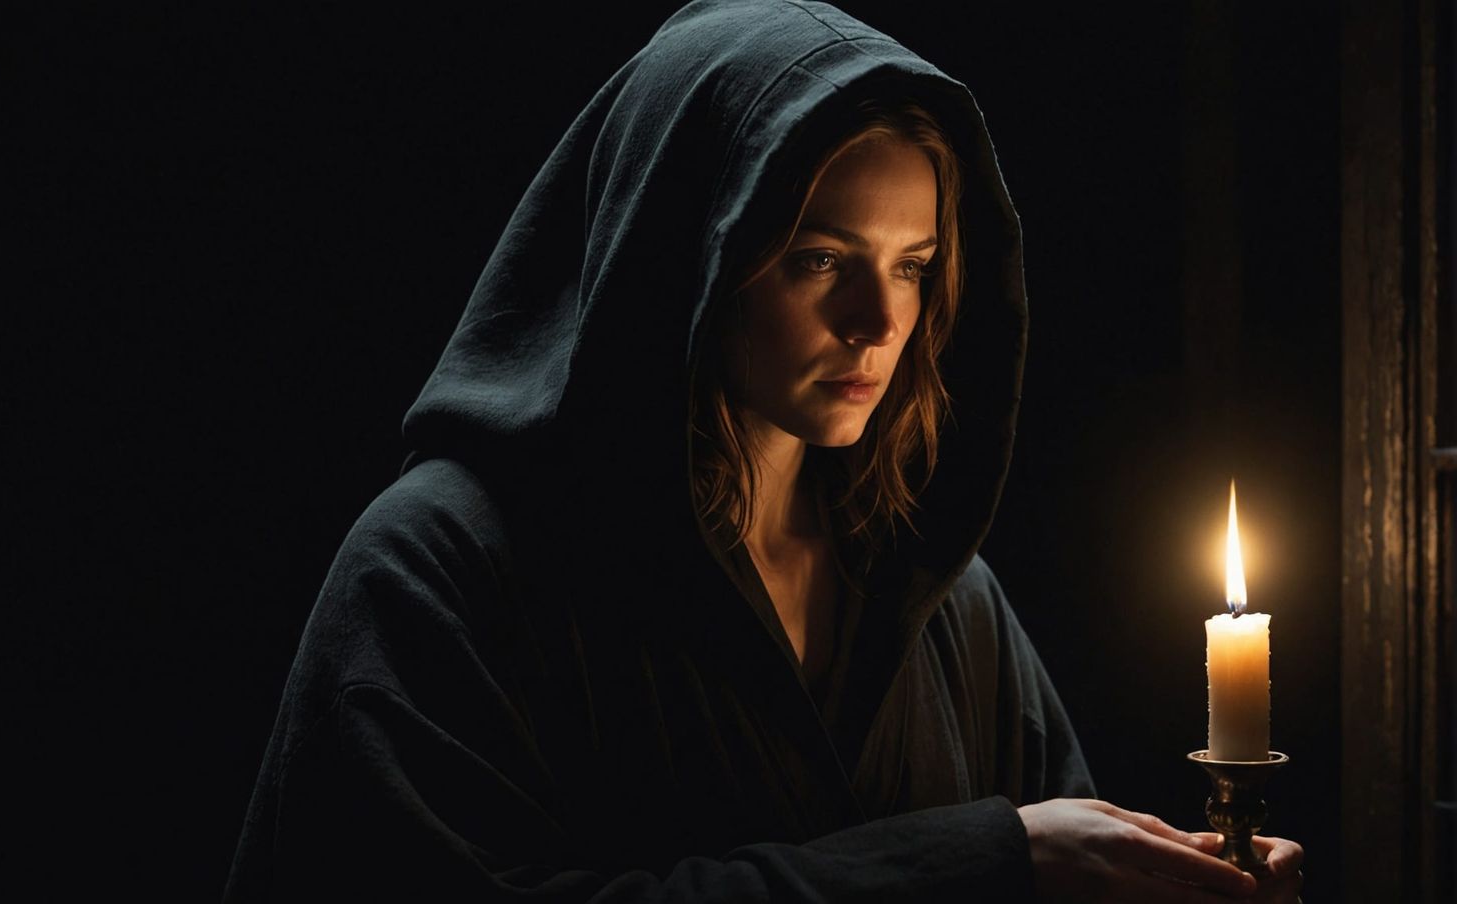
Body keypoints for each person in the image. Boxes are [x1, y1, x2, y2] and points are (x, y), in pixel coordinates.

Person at [225, 1, 1304, 900]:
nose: (879, 323)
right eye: (819, 258)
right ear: (683, 258)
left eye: (914, 265)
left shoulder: (939, 601)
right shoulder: (439, 571)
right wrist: (979, 859)